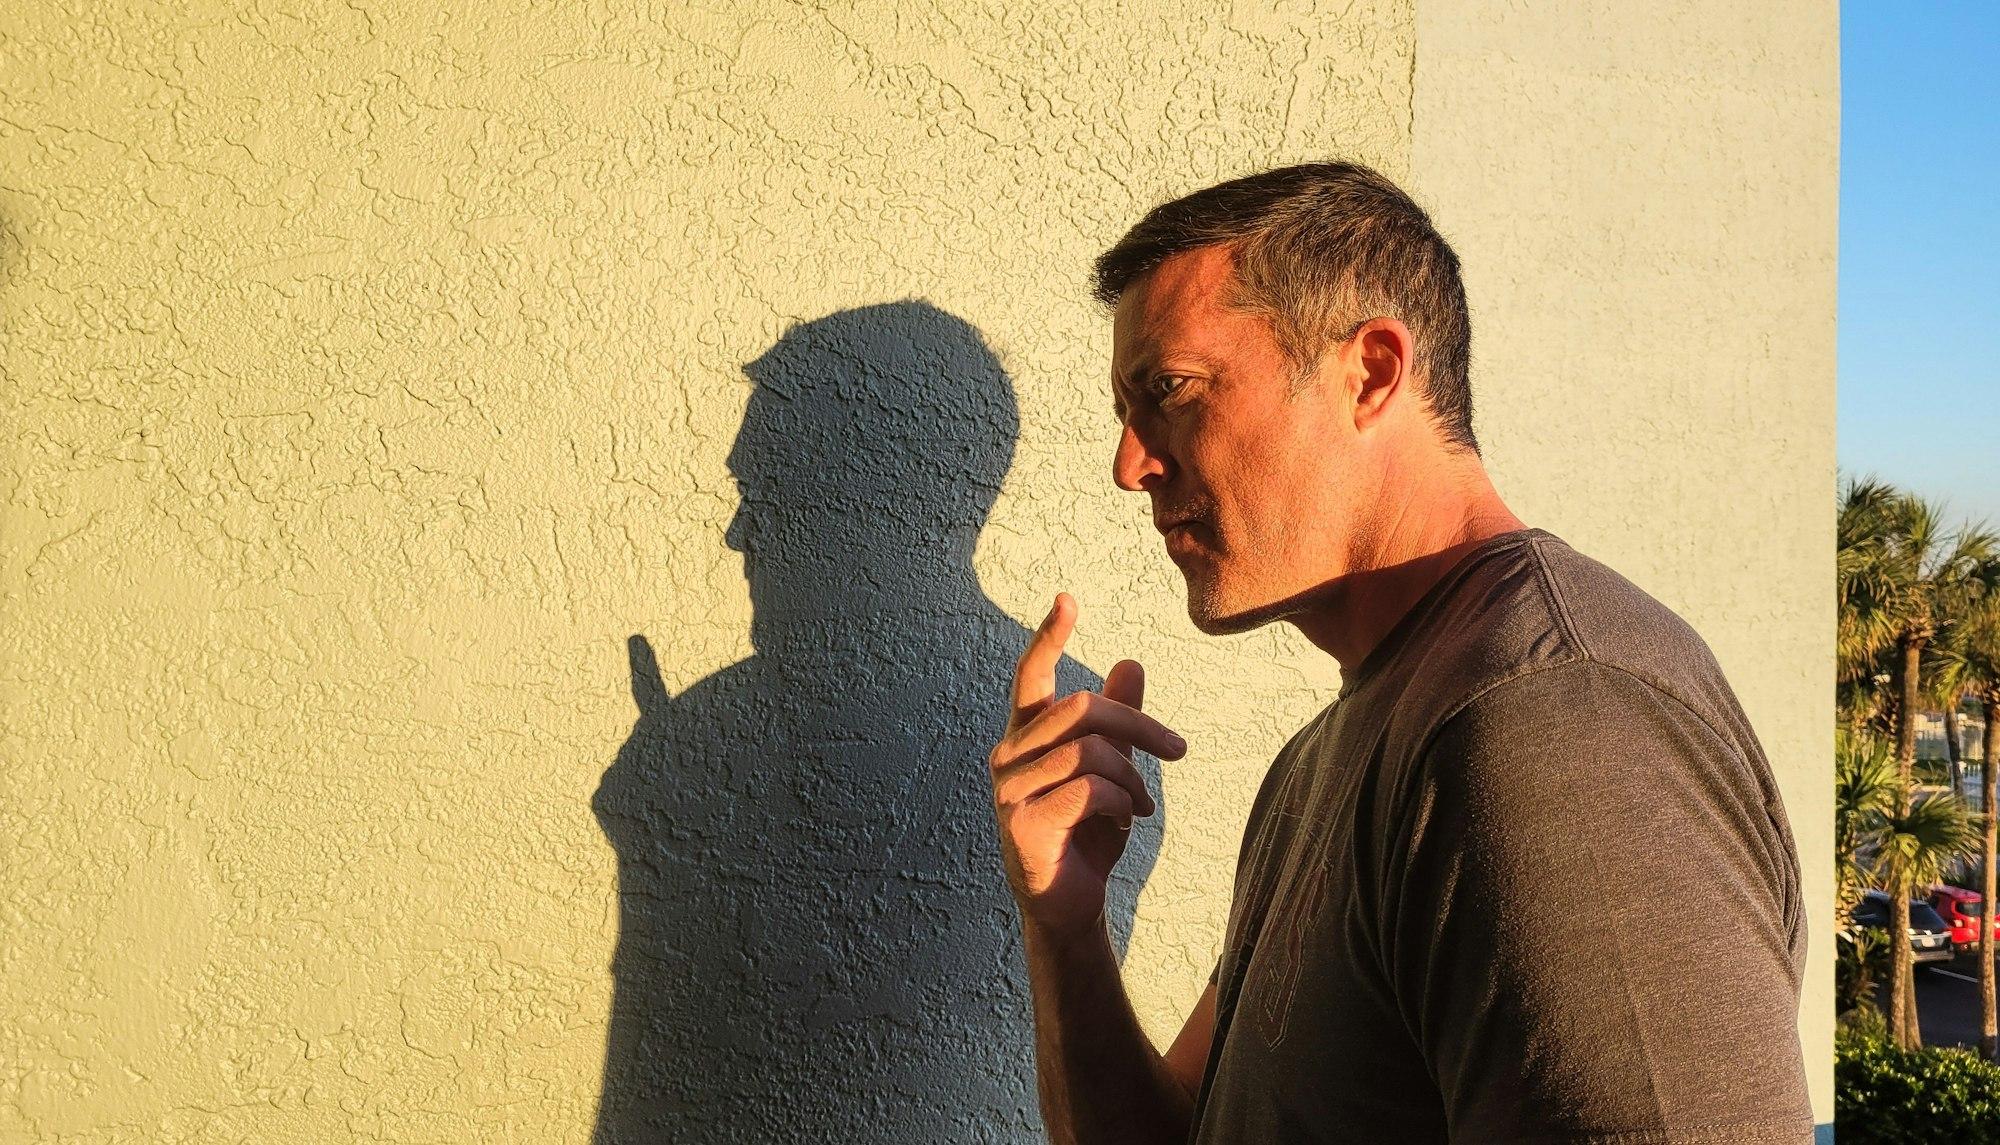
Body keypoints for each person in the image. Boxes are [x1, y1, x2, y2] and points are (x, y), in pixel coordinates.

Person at [983, 162, 1814, 1143]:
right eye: (1125, 413)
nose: (1130, 465)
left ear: (1371, 372)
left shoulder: (1555, 717)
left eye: (1170, 390)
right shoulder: (1321, 764)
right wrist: (1064, 925)